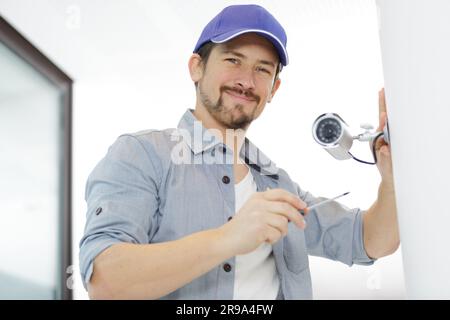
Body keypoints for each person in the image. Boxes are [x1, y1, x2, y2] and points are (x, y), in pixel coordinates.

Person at [79, 4, 399, 300]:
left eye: (262, 69)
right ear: (196, 67)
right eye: (233, 60)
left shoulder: (279, 186)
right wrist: (229, 237)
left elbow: (372, 239)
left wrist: (392, 179)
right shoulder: (142, 155)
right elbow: (106, 281)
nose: (246, 80)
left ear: (273, 89)